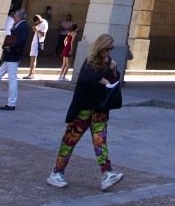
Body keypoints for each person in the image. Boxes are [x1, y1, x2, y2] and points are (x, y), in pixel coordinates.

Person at [45, 33, 125, 191]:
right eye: (107, 49)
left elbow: (114, 83)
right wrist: (105, 80)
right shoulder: (90, 61)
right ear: (100, 48)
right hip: (84, 109)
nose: (109, 52)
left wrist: (114, 71)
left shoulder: (110, 63)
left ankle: (106, 174)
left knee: (100, 142)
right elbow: (86, 77)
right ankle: (56, 173)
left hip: (100, 110)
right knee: (70, 141)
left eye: (111, 49)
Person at [27, 11, 50, 79]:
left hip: (37, 42)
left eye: (36, 22)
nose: (36, 24)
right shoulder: (41, 23)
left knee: (33, 58)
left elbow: (43, 34)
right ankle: (31, 73)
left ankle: (31, 74)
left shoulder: (44, 24)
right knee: (33, 58)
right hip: (35, 41)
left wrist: (37, 30)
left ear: (39, 20)